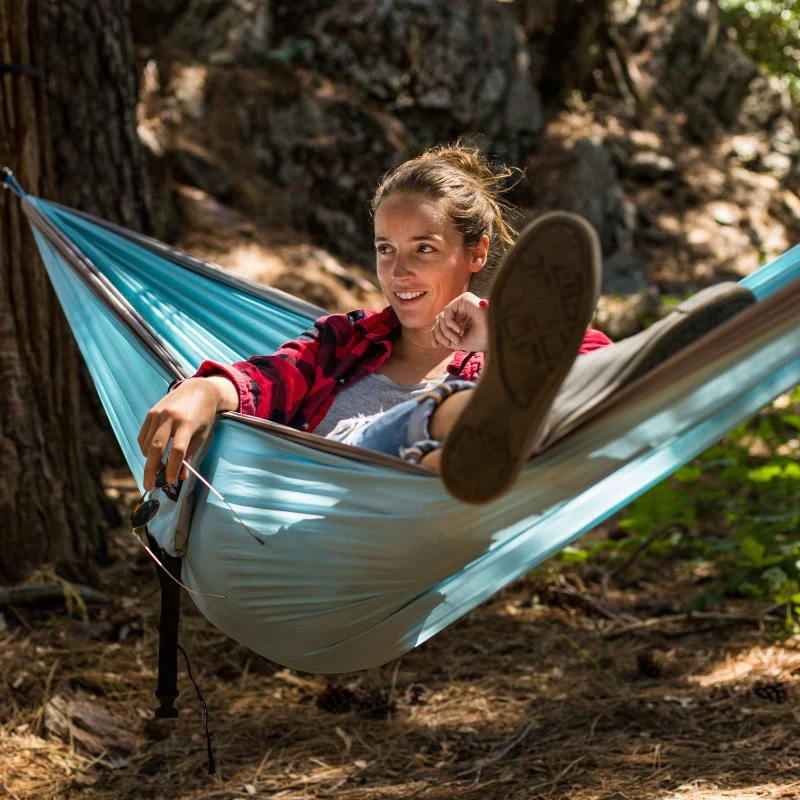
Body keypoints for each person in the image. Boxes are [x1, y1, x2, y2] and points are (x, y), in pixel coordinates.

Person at [138, 143, 755, 504]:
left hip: (444, 504)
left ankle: (649, 365)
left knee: (547, 389)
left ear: (476, 253)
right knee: (442, 407)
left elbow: (584, 365)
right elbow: (270, 378)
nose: (398, 271)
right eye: (385, 249)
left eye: (424, 249)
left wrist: (495, 334)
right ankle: (472, 423)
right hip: (338, 496)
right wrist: (205, 388)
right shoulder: (344, 340)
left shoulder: (498, 351)